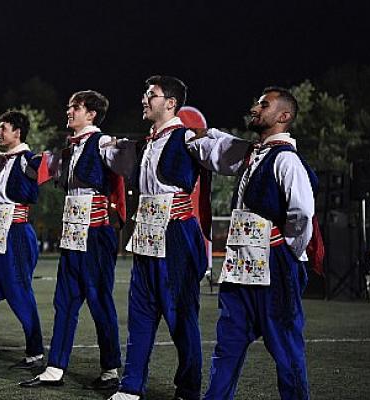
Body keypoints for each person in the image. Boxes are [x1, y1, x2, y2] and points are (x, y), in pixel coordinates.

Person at [110, 76, 226, 400]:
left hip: (176, 234)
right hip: (146, 234)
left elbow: (221, 152)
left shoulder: (189, 138)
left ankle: (188, 388)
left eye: (152, 95)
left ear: (171, 103)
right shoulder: (146, 144)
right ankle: (131, 385)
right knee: (140, 313)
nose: (145, 100)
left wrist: (245, 146)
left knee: (181, 316)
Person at [200, 87, 316, 400]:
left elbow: (302, 212)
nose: (255, 107)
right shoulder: (255, 153)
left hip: (274, 264)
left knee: (285, 346)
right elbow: (221, 148)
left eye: (263, 104)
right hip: (241, 267)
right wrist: (197, 133)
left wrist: (288, 250)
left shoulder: (286, 160)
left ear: (284, 116)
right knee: (228, 345)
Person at [20, 90, 126, 391]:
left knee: (99, 299)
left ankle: (110, 369)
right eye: (69, 107)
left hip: (95, 233)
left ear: (91, 114)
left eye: (75, 107)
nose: (69, 112)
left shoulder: (103, 142)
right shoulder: (68, 149)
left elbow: (126, 162)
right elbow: (37, 169)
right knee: (64, 301)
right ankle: (55, 367)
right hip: (73, 234)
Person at [0, 110, 45, 369]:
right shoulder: (0, 162)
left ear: (17, 132)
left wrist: (46, 161)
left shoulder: (27, 159)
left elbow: (45, 169)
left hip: (16, 233)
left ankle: (36, 351)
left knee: (19, 293)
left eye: (3, 128)